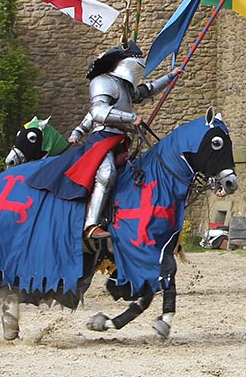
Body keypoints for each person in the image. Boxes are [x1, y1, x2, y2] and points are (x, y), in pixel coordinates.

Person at [59, 41, 180, 240]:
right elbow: (97, 112)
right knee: (107, 173)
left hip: (121, 140)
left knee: (140, 173)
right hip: (104, 138)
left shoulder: (124, 86)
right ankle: (90, 225)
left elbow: (146, 90)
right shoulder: (102, 81)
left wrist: (171, 75)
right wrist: (131, 118)